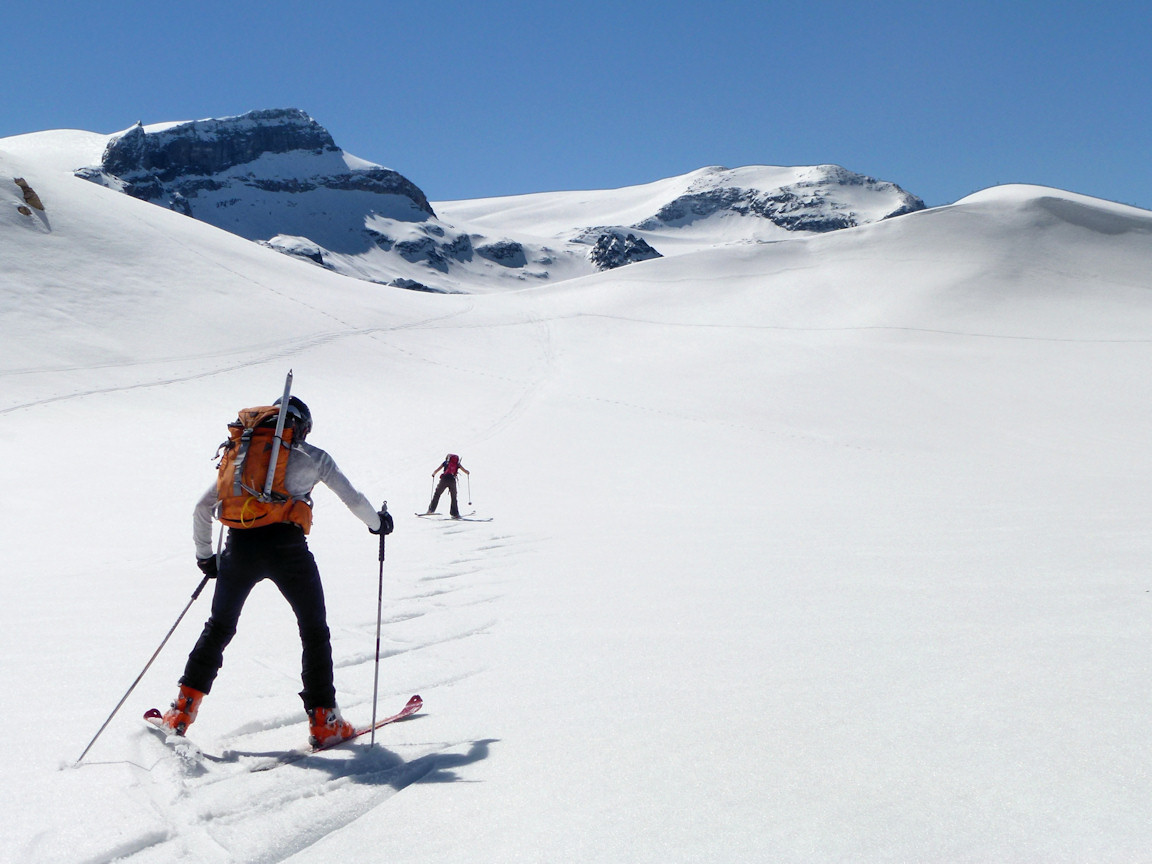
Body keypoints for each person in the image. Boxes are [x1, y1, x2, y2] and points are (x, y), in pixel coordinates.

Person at [160, 395, 393, 747]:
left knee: (219, 627)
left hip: (239, 549)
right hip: (289, 551)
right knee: (313, 630)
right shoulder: (313, 457)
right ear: (302, 427)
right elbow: (353, 499)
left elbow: (201, 508)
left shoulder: (240, 457)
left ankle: (181, 712)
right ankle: (324, 721)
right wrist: (378, 525)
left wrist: (206, 558)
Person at [424, 453, 469, 518]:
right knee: (453, 497)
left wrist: (434, 473)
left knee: (437, 494)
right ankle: (455, 513)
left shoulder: (446, 462)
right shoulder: (457, 464)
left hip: (444, 480)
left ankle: (431, 510)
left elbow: (437, 469)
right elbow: (465, 471)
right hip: (452, 481)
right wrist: (467, 472)